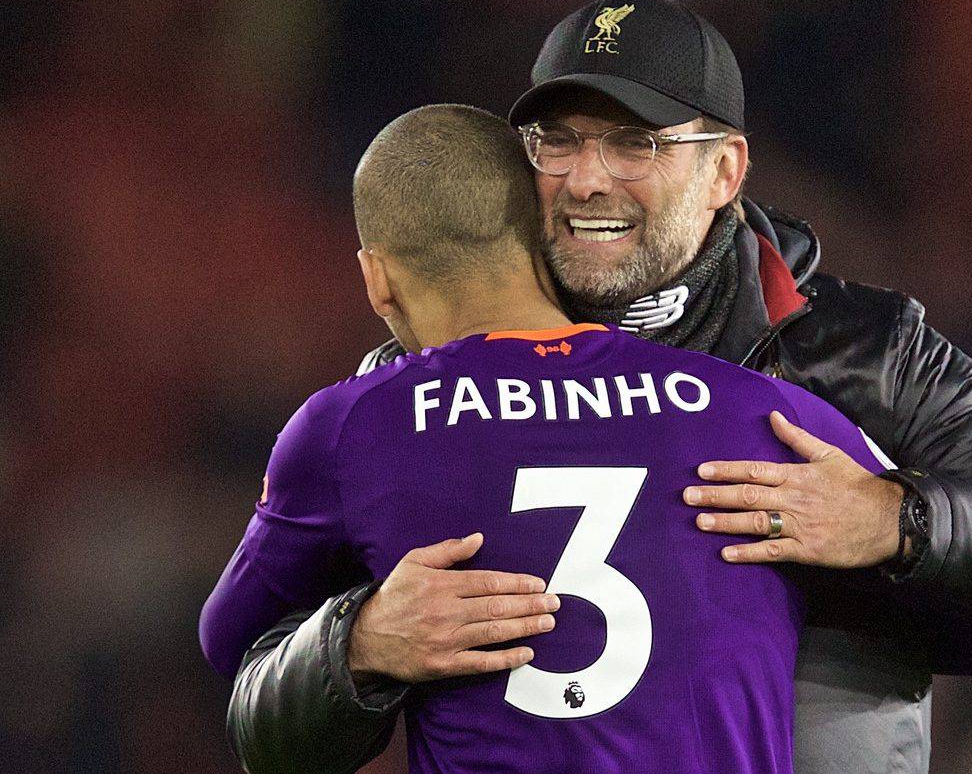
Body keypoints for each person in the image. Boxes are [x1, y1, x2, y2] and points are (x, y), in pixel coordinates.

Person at [224, 0, 972, 774]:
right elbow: (256, 714)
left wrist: (895, 521)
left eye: (636, 144)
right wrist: (354, 646)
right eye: (557, 141)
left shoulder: (854, 353)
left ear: (725, 170)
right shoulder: (427, 383)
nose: (586, 180)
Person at [200, 103, 898, 773]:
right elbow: (926, 562)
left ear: (377, 279)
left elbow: (228, 640)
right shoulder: (756, 409)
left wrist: (362, 636)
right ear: (541, 233)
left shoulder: (355, 426)